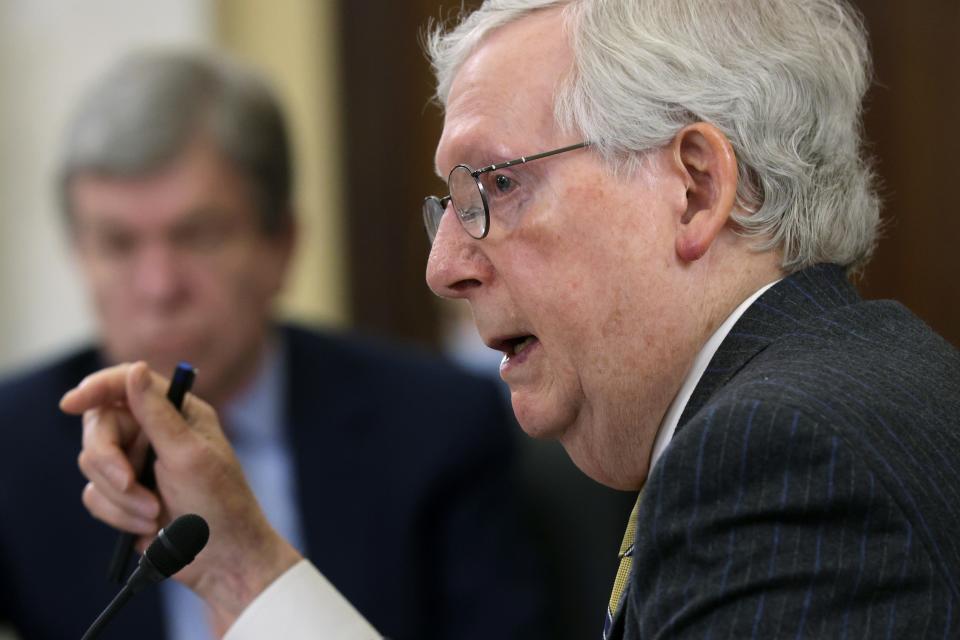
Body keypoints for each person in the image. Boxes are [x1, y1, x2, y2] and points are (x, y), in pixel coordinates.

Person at [65, 1, 960, 638]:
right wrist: (236, 565)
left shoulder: (781, 455)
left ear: (694, 188)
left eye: (497, 186)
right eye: (448, 203)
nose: (444, 265)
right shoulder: (835, 393)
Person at [0, 50, 546, 640]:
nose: (159, 287)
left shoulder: (438, 426)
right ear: (79, 254)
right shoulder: (14, 441)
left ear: (281, 245)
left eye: (198, 236)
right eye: (117, 244)